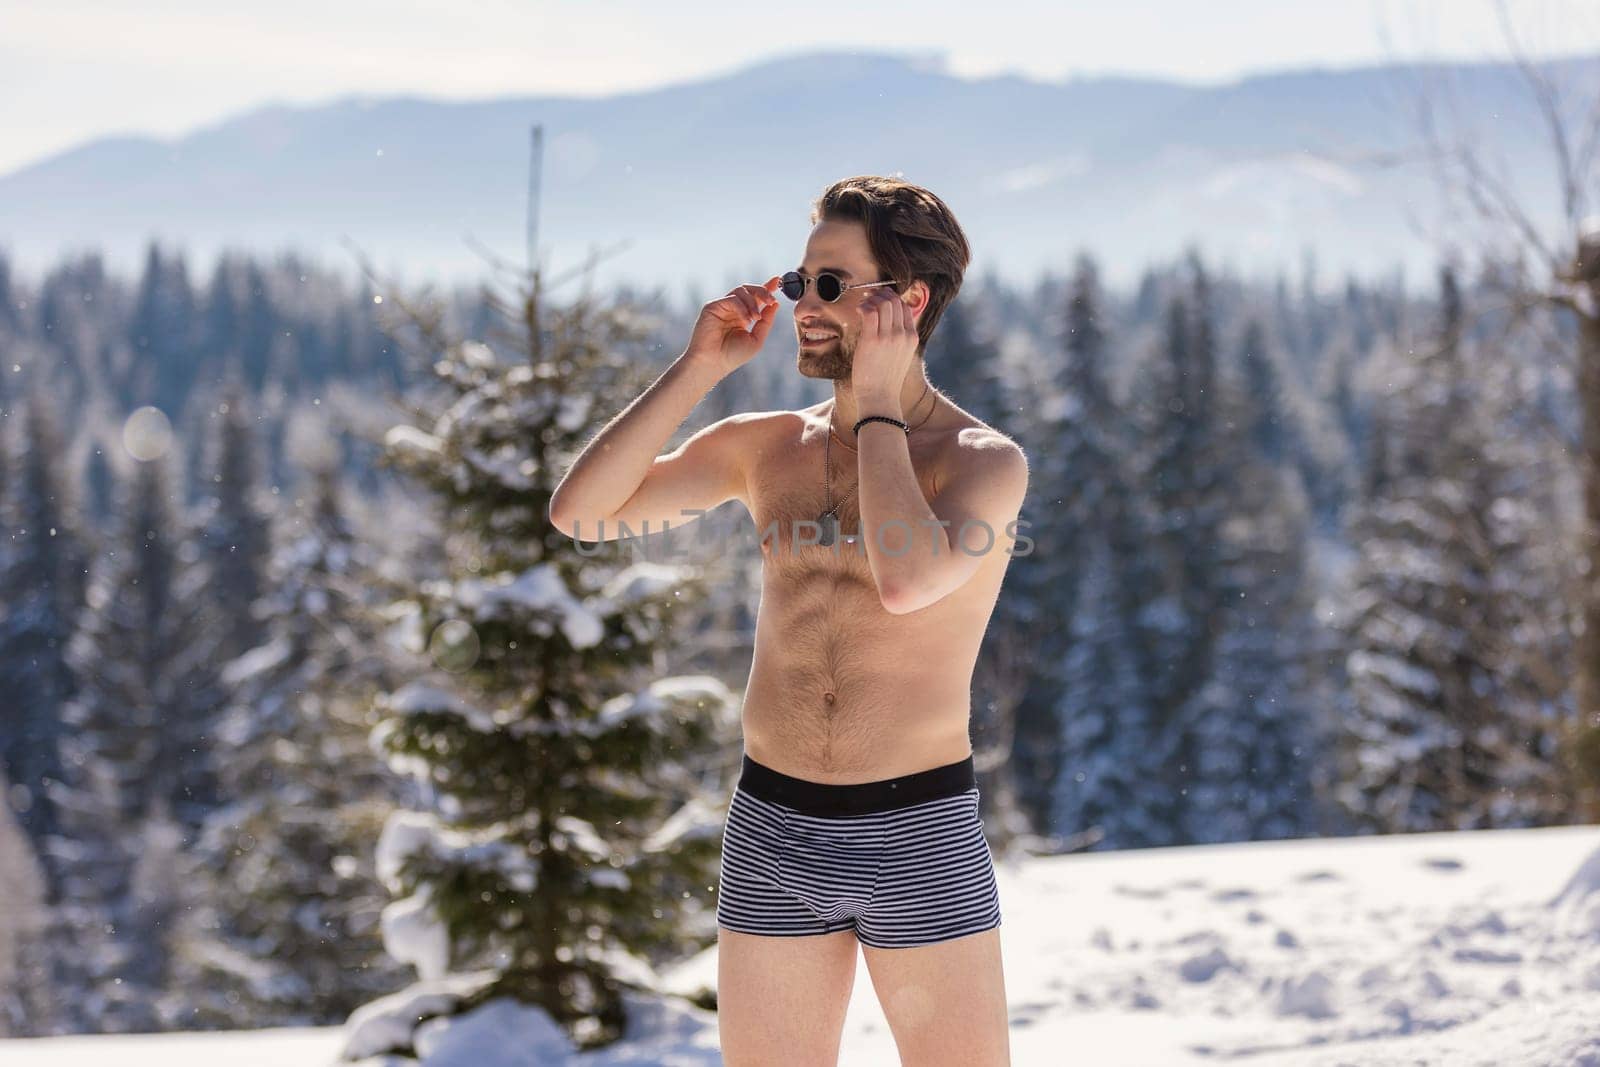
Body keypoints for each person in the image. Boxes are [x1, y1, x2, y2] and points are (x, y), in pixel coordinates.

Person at [549, 175, 1027, 1066]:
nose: (804, 304)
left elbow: (907, 579)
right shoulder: (769, 445)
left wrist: (877, 404)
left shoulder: (980, 462)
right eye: (801, 280)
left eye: (833, 285)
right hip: (774, 822)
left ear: (908, 301)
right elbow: (581, 512)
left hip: (916, 830)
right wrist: (702, 366)